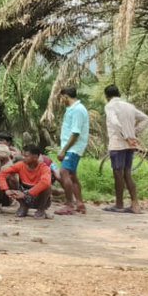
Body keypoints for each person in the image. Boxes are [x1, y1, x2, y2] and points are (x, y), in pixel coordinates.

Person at [104, 85, 148, 214]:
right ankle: (135, 204)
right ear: (119, 94)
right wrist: (133, 133)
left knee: (118, 173)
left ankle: (119, 204)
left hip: (117, 143)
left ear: (107, 96)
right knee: (127, 173)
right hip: (130, 145)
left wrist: (126, 136)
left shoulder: (110, 106)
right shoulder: (129, 106)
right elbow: (146, 119)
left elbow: (114, 122)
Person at [56, 86, 90, 215]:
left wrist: (64, 150)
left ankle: (69, 204)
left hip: (73, 148)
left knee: (64, 172)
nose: (61, 101)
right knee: (72, 175)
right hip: (71, 147)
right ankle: (80, 203)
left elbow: (75, 133)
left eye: (61, 98)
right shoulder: (72, 109)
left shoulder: (77, 110)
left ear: (65, 96)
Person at [0, 143, 53, 219]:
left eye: (26, 156)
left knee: (47, 186)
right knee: (10, 178)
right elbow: (1, 174)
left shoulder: (44, 168)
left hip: (38, 198)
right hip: (23, 194)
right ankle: (23, 206)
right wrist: (6, 189)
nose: (23, 158)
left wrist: (26, 194)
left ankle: (41, 209)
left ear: (35, 157)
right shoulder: (20, 165)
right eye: (23, 155)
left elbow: (45, 182)